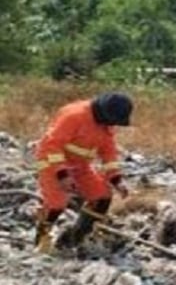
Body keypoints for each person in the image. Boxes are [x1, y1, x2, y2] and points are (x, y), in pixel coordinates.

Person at [34, 92, 132, 253]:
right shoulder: (74, 115)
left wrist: (116, 179)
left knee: (102, 197)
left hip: (80, 166)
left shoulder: (105, 123)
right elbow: (52, 145)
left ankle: (75, 239)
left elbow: (108, 152)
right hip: (53, 163)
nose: (112, 125)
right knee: (56, 204)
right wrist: (62, 175)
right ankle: (41, 240)